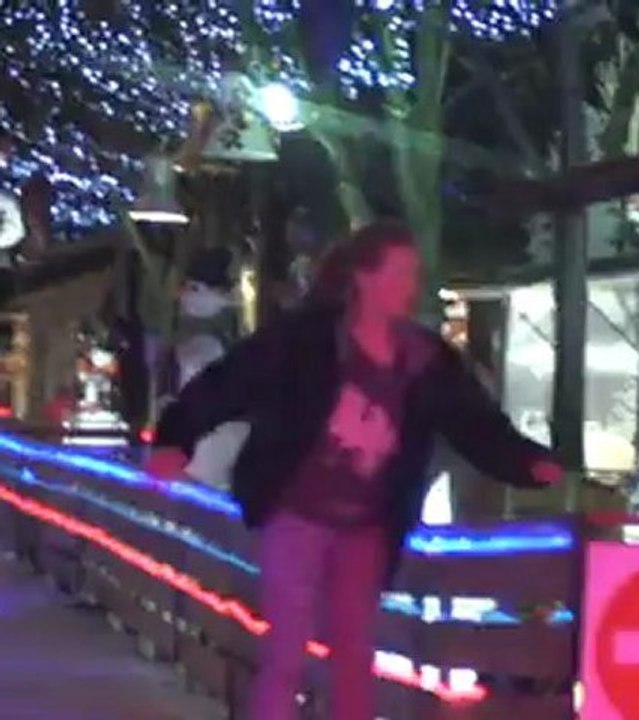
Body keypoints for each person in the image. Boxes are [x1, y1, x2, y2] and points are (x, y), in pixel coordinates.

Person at [144, 220, 563, 720]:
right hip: (296, 512)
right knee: (287, 653)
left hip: (366, 525)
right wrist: (176, 439)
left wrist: (527, 462)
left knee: (354, 657)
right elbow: (229, 382)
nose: (410, 287)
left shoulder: (424, 359)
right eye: (400, 273)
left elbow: (473, 423)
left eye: (414, 275)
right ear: (364, 278)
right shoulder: (306, 341)